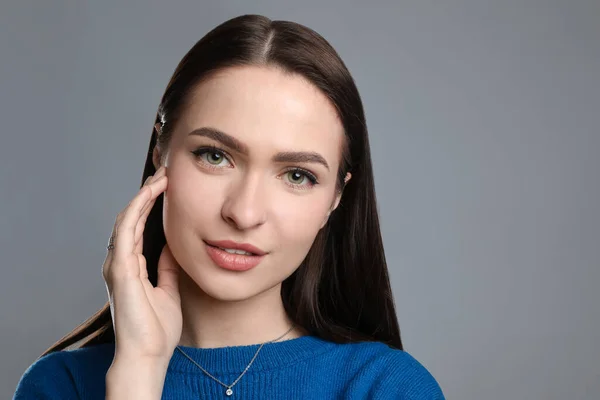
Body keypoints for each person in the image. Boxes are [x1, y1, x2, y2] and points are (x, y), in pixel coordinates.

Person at [14, 14, 445, 399]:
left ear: (335, 197)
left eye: (297, 175)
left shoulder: (385, 388)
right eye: (215, 156)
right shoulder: (59, 387)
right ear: (160, 151)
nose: (244, 213)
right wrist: (138, 373)